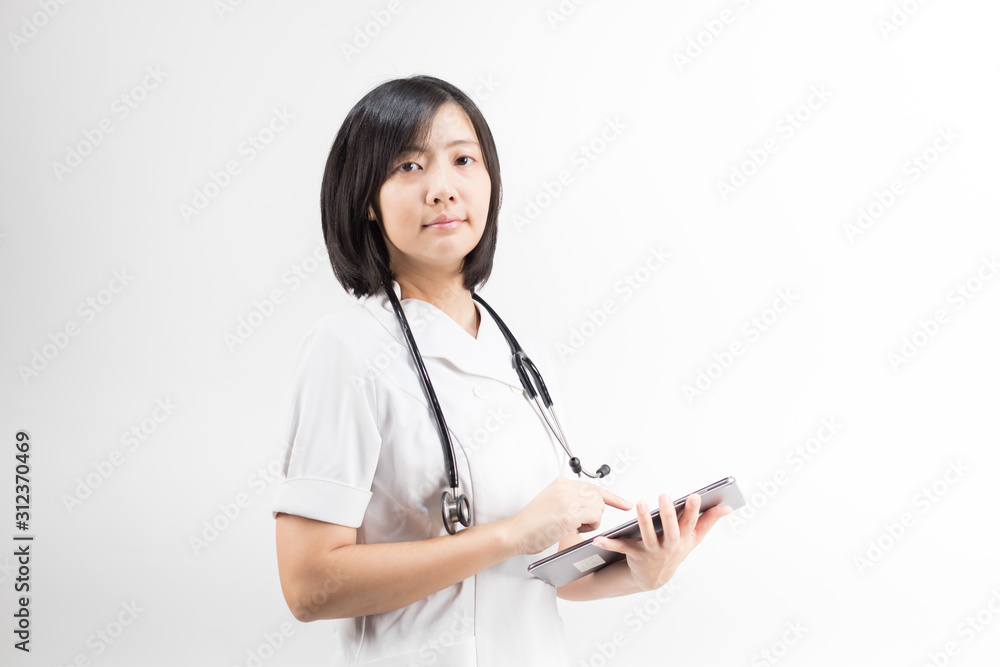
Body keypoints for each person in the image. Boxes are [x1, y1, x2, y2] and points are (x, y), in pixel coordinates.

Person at [272, 74, 732, 666]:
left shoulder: (523, 360)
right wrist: (511, 533)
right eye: (409, 167)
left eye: (464, 159)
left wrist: (643, 570)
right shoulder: (347, 349)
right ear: (366, 198)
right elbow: (309, 586)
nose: (442, 188)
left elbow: (549, 570)